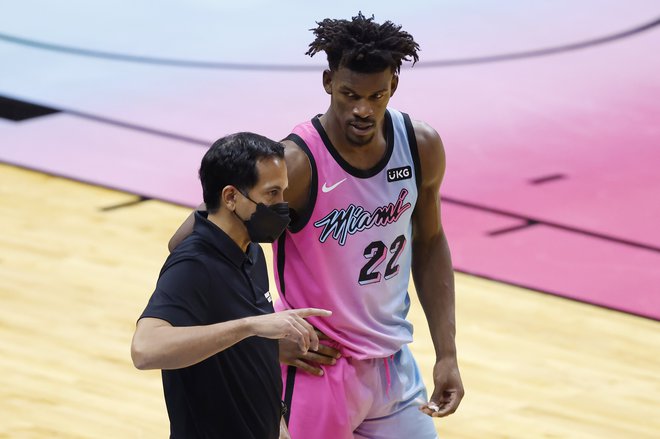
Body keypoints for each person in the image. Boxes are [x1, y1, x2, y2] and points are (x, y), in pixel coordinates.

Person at [169, 12, 464, 439]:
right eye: (349, 94)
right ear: (328, 83)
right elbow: (194, 246)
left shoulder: (420, 146)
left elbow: (431, 242)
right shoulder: (297, 163)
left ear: (392, 88)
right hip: (317, 368)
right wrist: (263, 335)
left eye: (375, 95)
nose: (362, 109)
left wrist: (447, 353)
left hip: (392, 366)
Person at [132, 132, 331, 439]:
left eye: (283, 192)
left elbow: (245, 355)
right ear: (231, 197)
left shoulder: (251, 252)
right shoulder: (194, 265)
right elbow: (145, 350)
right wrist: (250, 326)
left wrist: (279, 427)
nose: (283, 205)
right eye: (272, 193)